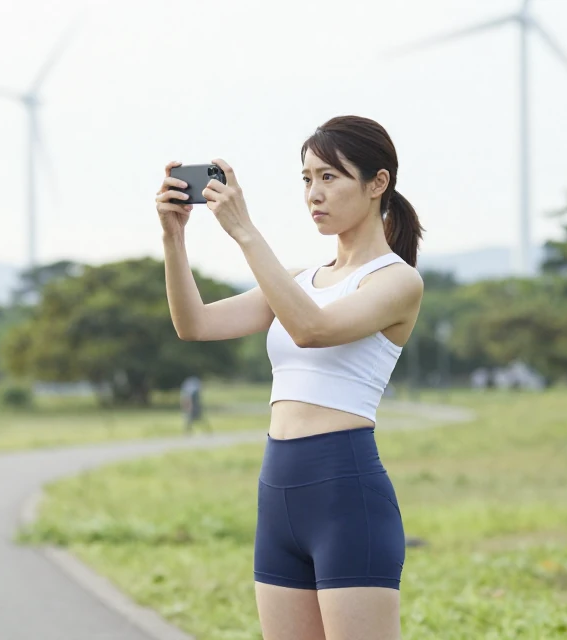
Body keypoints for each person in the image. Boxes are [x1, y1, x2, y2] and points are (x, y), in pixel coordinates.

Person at [155, 115, 425, 640]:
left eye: (330, 177)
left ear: (377, 184)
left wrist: (244, 232)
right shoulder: (301, 280)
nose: (313, 194)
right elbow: (195, 324)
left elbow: (312, 328)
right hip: (278, 493)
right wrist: (174, 239)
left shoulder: (396, 281)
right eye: (306, 179)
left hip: (346, 498)